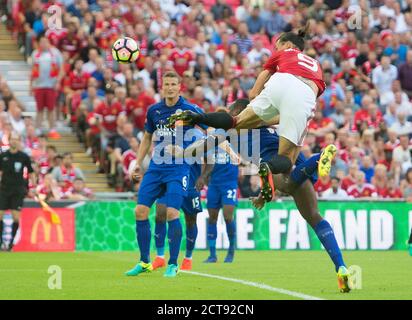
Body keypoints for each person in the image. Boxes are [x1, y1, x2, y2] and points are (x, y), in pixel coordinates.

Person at [166, 23, 333, 205]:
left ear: (288, 46)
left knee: (234, 123)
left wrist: (254, 95)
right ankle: (313, 159)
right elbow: (310, 94)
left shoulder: (283, 53)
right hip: (304, 96)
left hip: (279, 86)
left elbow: (263, 77)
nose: (275, 49)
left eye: (277, 46)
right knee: (287, 166)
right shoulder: (316, 64)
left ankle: (198, 116)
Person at [125, 71, 207, 278]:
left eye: (173, 84)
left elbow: (211, 130)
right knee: (140, 211)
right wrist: (137, 162)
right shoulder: (154, 110)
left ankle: (173, 263)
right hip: (155, 168)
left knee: (172, 213)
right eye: (166, 84)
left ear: (180, 87)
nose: (169, 87)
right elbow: (146, 137)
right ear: (162, 87)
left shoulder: (190, 110)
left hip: (178, 168)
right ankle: (144, 262)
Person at [0, 132, 35, 251]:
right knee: (0, 215)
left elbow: (31, 172)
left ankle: (10, 243)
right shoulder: (3, 156)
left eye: (16, 139)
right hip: (4, 190)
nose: (14, 141)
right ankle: (1, 243)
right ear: (9, 141)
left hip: (17, 191)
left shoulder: (23, 156)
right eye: (12, 139)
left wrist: (33, 187)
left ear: (19, 141)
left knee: (15, 217)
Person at [30, 35, 63, 135]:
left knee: (51, 108)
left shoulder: (55, 53)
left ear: (49, 43)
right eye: (42, 42)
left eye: (45, 42)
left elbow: (61, 69)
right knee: (39, 108)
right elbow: (32, 71)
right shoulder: (35, 54)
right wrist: (30, 85)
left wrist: (58, 81)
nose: (44, 44)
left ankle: (52, 128)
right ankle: (38, 128)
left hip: (50, 85)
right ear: (39, 43)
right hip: (39, 85)